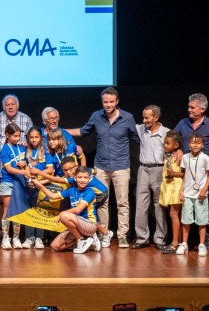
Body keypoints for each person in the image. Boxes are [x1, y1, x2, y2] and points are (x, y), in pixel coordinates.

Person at [66, 86, 140, 248]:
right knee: (101, 202)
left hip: (121, 166)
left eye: (111, 102)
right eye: (105, 102)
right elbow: (83, 131)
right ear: (102, 102)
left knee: (122, 203)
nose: (108, 105)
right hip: (101, 166)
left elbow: (137, 137)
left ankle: (122, 235)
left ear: (117, 102)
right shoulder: (96, 116)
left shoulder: (127, 118)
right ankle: (104, 233)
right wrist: (62, 131)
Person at [173, 93, 209, 250]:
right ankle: (186, 241)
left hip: (205, 172)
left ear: (202, 109)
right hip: (187, 172)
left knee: (208, 207)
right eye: (189, 106)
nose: (189, 110)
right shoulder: (183, 123)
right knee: (187, 206)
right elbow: (174, 138)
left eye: (192, 107)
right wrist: (178, 150)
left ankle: (208, 239)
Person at [0, 94, 33, 242]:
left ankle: (18, 234)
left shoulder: (26, 119)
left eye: (13, 104)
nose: (10, 106)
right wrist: (1, 150)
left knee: (20, 200)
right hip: (0, 167)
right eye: (7, 104)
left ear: (17, 105)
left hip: (20, 170)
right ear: (3, 106)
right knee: (0, 200)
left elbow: (32, 138)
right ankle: (1, 232)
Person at [134, 105, 169, 250]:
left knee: (159, 205)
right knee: (140, 205)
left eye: (147, 117)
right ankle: (142, 238)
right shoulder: (141, 129)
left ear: (156, 117)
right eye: (143, 117)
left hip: (159, 169)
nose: (144, 120)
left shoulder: (166, 132)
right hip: (143, 168)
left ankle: (160, 238)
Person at [49, 167, 104, 253]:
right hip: (77, 225)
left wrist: (61, 214)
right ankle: (85, 241)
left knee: (64, 215)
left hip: (89, 225)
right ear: (75, 178)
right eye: (80, 177)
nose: (82, 180)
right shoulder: (72, 190)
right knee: (55, 246)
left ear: (89, 179)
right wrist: (37, 183)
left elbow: (78, 210)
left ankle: (82, 239)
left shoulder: (90, 192)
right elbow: (52, 196)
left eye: (85, 178)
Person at [176, 132, 209, 256]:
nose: (195, 145)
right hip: (187, 193)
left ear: (202, 144)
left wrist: (204, 189)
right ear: (189, 144)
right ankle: (184, 244)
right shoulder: (185, 157)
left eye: (198, 143)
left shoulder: (205, 158)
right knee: (186, 220)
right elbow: (184, 174)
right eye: (193, 142)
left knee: (201, 220)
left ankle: (202, 244)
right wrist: (182, 190)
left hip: (201, 194)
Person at [0, 123, 27, 249]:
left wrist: (24, 163)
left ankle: (16, 238)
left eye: (19, 136)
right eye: (15, 136)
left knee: (18, 210)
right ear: (7, 135)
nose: (17, 138)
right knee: (7, 209)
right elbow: (9, 169)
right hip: (8, 181)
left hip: (19, 182)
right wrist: (24, 171)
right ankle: (5, 238)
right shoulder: (4, 150)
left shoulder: (21, 148)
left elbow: (26, 162)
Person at [159, 131, 185, 254]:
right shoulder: (169, 155)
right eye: (164, 143)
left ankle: (175, 243)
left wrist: (174, 173)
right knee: (173, 214)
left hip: (177, 187)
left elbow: (185, 173)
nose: (165, 145)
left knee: (174, 214)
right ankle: (177, 241)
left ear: (176, 145)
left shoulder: (180, 156)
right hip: (169, 186)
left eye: (167, 143)